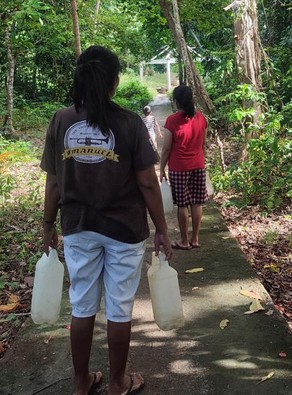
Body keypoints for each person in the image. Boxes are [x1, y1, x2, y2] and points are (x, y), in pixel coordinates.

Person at [41, 45, 173, 395]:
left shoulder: (61, 120)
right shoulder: (129, 123)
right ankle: (117, 384)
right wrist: (162, 229)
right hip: (124, 230)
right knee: (119, 307)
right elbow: (147, 182)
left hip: (77, 227)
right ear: (114, 82)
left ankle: (81, 381)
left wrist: (47, 225)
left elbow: (53, 181)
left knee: (82, 305)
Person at [159, 85, 208, 250]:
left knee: (182, 204)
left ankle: (184, 241)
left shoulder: (172, 120)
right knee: (197, 202)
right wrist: (203, 160)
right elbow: (203, 144)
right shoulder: (201, 118)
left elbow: (166, 148)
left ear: (176, 102)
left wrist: (161, 169)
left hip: (179, 167)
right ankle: (195, 239)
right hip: (198, 164)